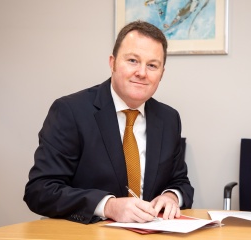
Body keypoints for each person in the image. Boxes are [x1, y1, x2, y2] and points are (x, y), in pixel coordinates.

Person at [24, 20, 194, 224]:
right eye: (132, 60)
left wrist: (171, 197)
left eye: (152, 65)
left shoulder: (168, 118)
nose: (141, 72)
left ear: (162, 74)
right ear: (112, 62)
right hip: (88, 234)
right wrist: (108, 206)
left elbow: (180, 182)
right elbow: (40, 190)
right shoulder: (70, 111)